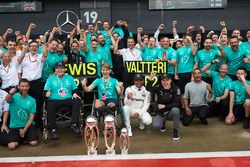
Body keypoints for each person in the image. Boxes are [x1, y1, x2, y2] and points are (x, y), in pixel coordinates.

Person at [44, 62, 81, 140]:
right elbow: (44, 92)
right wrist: (46, 94)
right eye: (58, 68)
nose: (60, 70)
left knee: (77, 100)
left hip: (68, 99)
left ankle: (74, 125)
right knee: (49, 103)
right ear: (55, 69)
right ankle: (53, 130)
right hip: (55, 100)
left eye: (61, 68)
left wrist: (75, 93)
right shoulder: (50, 79)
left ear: (64, 69)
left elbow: (76, 90)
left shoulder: (70, 78)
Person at [5, 79, 39, 150]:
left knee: (34, 143)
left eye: (26, 86)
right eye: (22, 86)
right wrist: (10, 93)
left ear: (29, 87)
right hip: (15, 126)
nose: (24, 88)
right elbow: (8, 100)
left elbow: (31, 117)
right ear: (18, 87)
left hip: (28, 125)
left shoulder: (32, 100)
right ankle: (21, 139)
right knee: (11, 146)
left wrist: (24, 130)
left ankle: (24, 136)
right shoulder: (14, 97)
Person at [146, 73, 181, 140]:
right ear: (161, 81)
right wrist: (150, 79)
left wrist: (164, 106)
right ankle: (163, 123)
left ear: (170, 80)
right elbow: (148, 89)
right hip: (161, 113)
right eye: (163, 80)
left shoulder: (176, 89)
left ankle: (175, 130)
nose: (165, 82)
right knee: (156, 125)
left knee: (176, 110)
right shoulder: (158, 87)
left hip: (171, 112)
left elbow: (177, 103)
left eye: (167, 80)